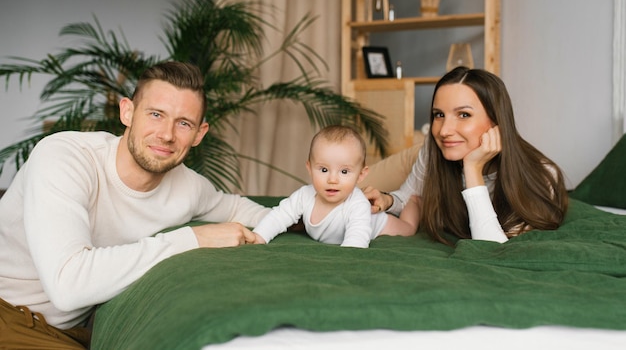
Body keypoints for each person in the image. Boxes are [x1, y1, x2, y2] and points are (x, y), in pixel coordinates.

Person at [0, 61, 270, 349]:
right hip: (8, 314)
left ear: (199, 134)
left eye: (183, 123)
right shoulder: (65, 158)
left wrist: (307, 216)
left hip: (70, 334)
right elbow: (68, 285)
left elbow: (235, 208)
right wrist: (193, 239)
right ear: (127, 111)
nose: (167, 134)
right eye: (156, 114)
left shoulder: (188, 187)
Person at [364, 66, 569, 245]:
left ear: (497, 121)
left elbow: (489, 246)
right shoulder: (434, 147)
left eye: (464, 115)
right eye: (439, 115)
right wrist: (387, 199)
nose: (444, 130)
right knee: (342, 187)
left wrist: (473, 169)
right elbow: (410, 196)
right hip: (425, 153)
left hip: (453, 150)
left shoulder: (539, 176)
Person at [253, 125, 418, 248]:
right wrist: (259, 236)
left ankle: (416, 202)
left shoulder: (357, 204)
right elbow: (279, 216)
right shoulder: (304, 195)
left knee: (407, 228)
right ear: (309, 168)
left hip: (378, 222)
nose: (333, 179)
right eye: (324, 169)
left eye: (344, 171)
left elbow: (357, 240)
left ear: (361, 174)